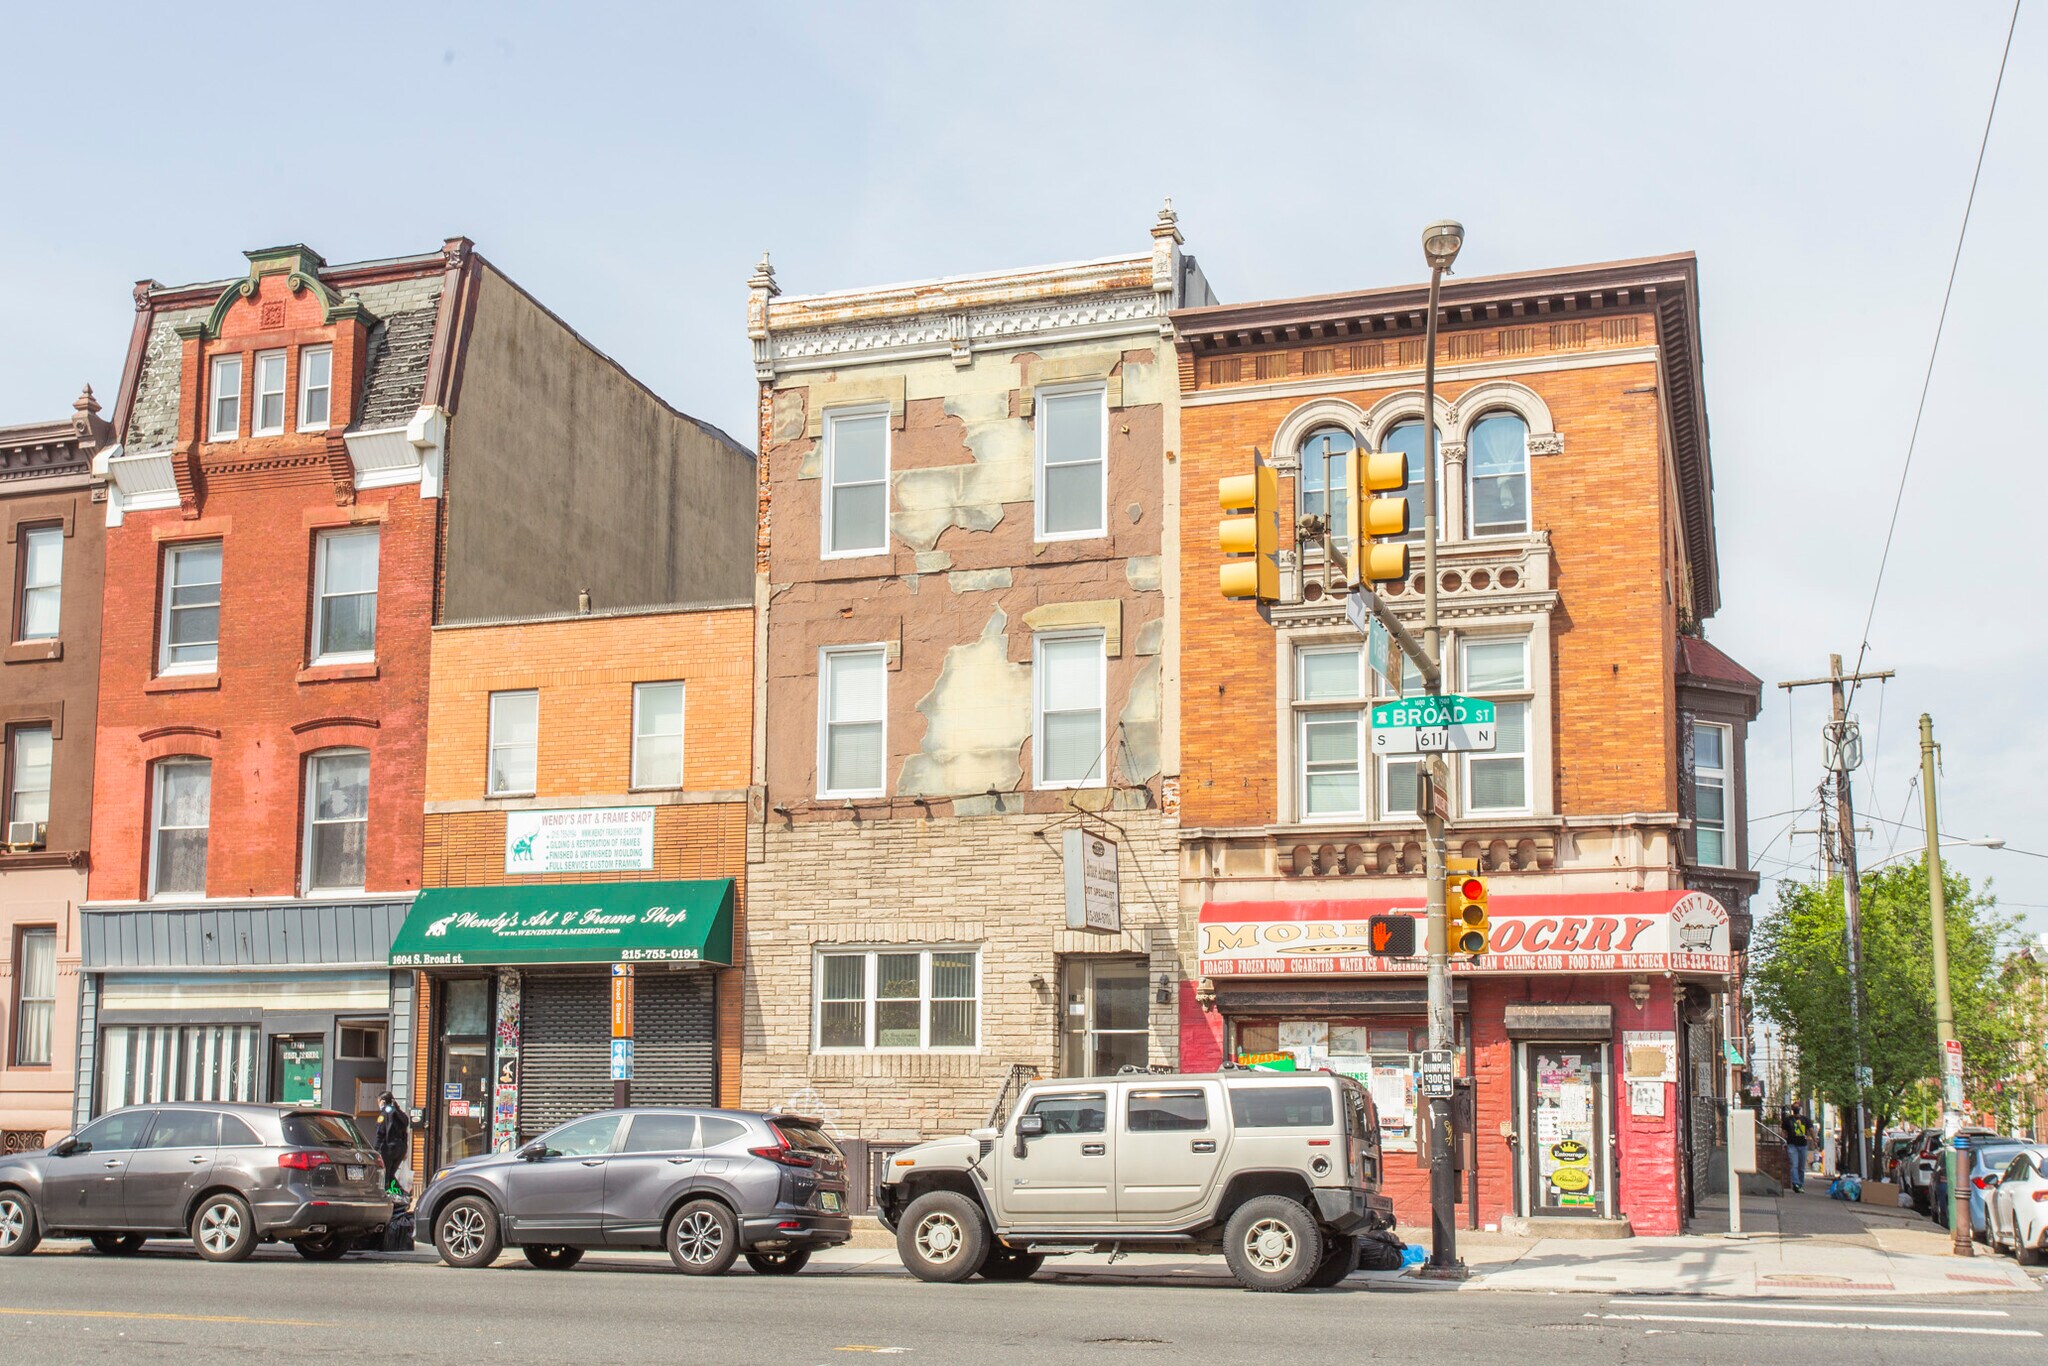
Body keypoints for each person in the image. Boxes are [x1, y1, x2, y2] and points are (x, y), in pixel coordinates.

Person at [373, 1091, 410, 1190]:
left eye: (379, 1101)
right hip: (400, 1150)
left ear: (383, 1102)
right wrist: (405, 1150)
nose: (378, 1104)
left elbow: (380, 1133)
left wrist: (375, 1151)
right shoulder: (399, 1113)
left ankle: (386, 1195)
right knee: (390, 1175)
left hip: (388, 1149)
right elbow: (405, 1132)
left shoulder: (384, 1114)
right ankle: (401, 1194)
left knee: (385, 1175)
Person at [1780, 1103, 1812, 1193]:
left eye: (1797, 1107)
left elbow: (1811, 1129)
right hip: (1792, 1145)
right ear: (1792, 1109)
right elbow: (1783, 1131)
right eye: (1795, 1107)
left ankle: (1800, 1184)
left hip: (1803, 1145)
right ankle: (1796, 1183)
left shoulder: (1805, 1119)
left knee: (1801, 1167)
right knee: (1794, 1164)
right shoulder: (1787, 1120)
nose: (1796, 1108)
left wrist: (1815, 1140)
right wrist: (1783, 1141)